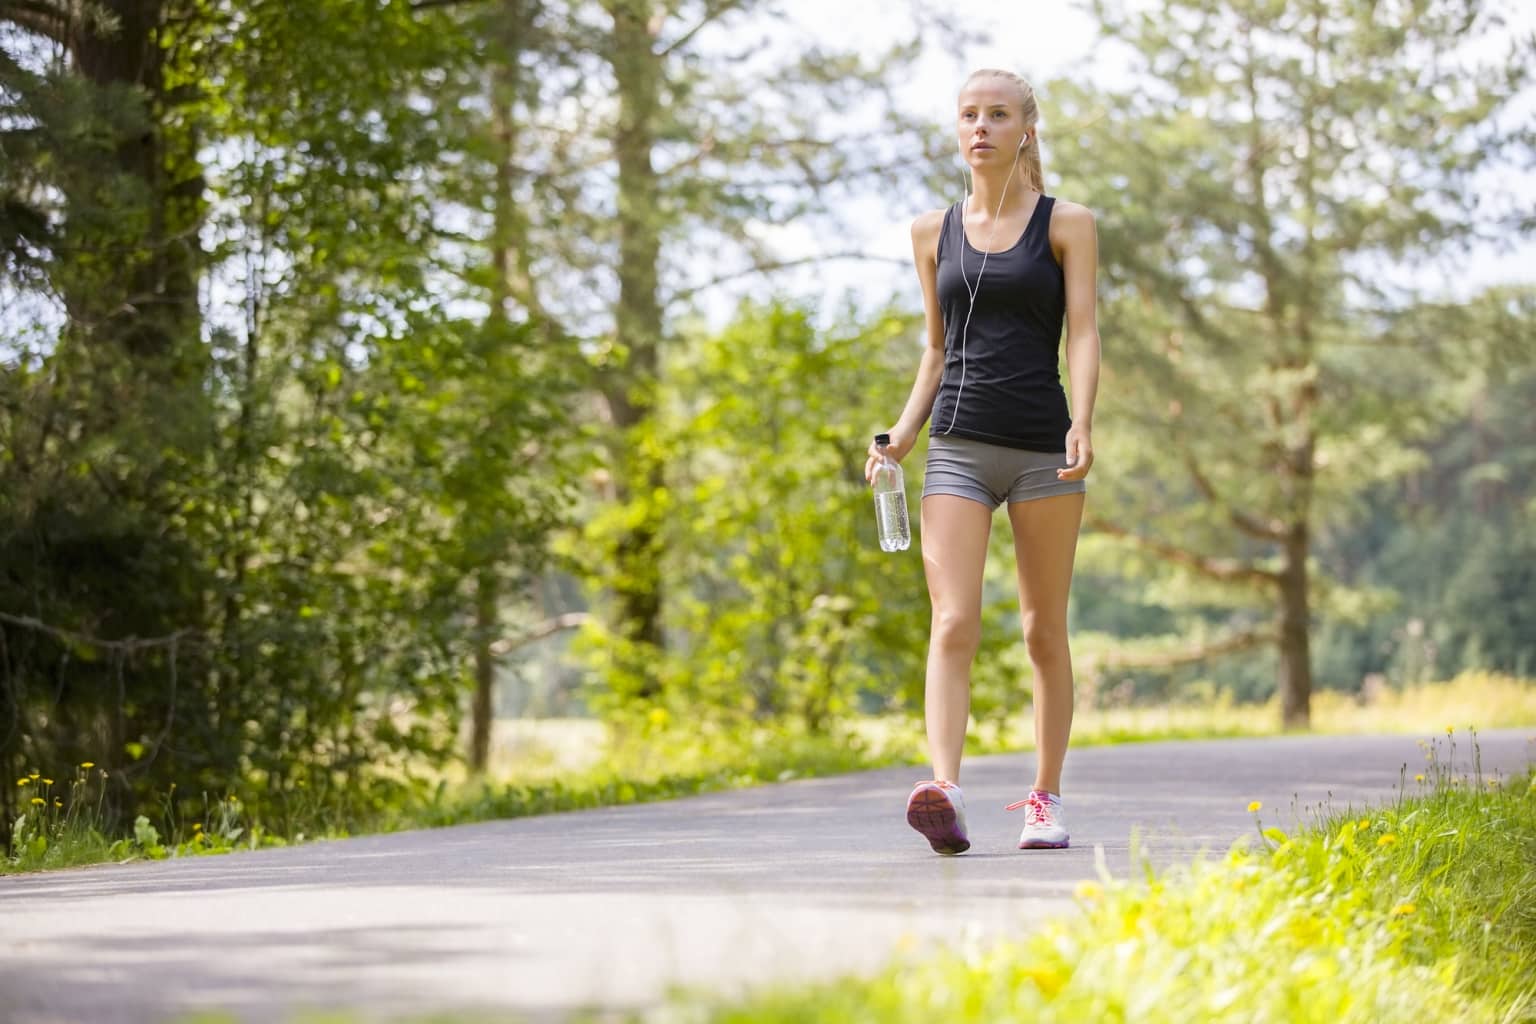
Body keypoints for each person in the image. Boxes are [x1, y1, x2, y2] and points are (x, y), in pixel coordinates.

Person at [865, 68, 1100, 855]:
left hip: (1043, 448)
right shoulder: (932, 232)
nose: (981, 128)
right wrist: (900, 436)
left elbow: (1085, 333)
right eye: (969, 115)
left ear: (1025, 129)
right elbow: (935, 350)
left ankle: (1045, 799)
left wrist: (1086, 422)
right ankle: (947, 790)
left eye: (998, 116)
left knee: (1042, 631)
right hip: (958, 448)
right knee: (954, 619)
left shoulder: (1068, 224)